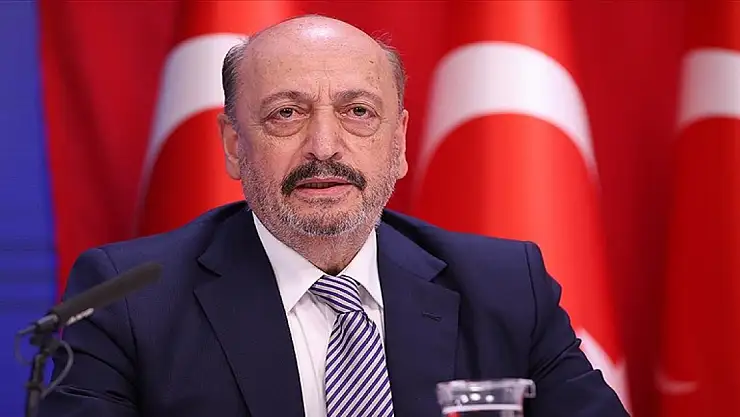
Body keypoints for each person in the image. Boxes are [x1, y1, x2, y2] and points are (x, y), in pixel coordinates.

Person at [38, 14, 629, 417]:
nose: (324, 147)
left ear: (398, 143)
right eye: (286, 114)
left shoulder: (505, 288)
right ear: (235, 146)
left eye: (358, 112)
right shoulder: (126, 300)